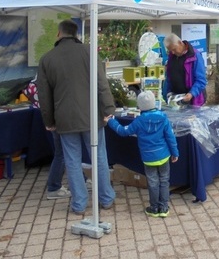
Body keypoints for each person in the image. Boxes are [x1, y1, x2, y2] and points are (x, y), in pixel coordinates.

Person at [37, 19, 116, 215]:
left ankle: (79, 204)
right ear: (77, 34)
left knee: (72, 160)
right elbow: (101, 83)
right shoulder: (90, 52)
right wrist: (108, 108)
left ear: (58, 34)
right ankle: (106, 199)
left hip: (64, 119)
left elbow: (44, 95)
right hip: (92, 116)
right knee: (99, 157)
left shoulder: (47, 59)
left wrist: (48, 121)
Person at [105, 91, 179, 218]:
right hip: (163, 156)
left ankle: (154, 208)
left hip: (149, 158)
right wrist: (175, 153)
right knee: (164, 181)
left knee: (153, 182)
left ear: (140, 106)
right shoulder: (163, 118)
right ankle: (164, 207)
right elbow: (170, 137)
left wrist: (111, 121)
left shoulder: (139, 121)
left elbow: (123, 131)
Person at [163, 33, 207, 106]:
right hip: (176, 99)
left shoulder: (195, 56)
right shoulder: (172, 56)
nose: (173, 52)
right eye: (170, 51)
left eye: (174, 49)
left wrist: (191, 93)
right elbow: (169, 77)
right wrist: (167, 93)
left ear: (180, 43)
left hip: (193, 99)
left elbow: (201, 80)